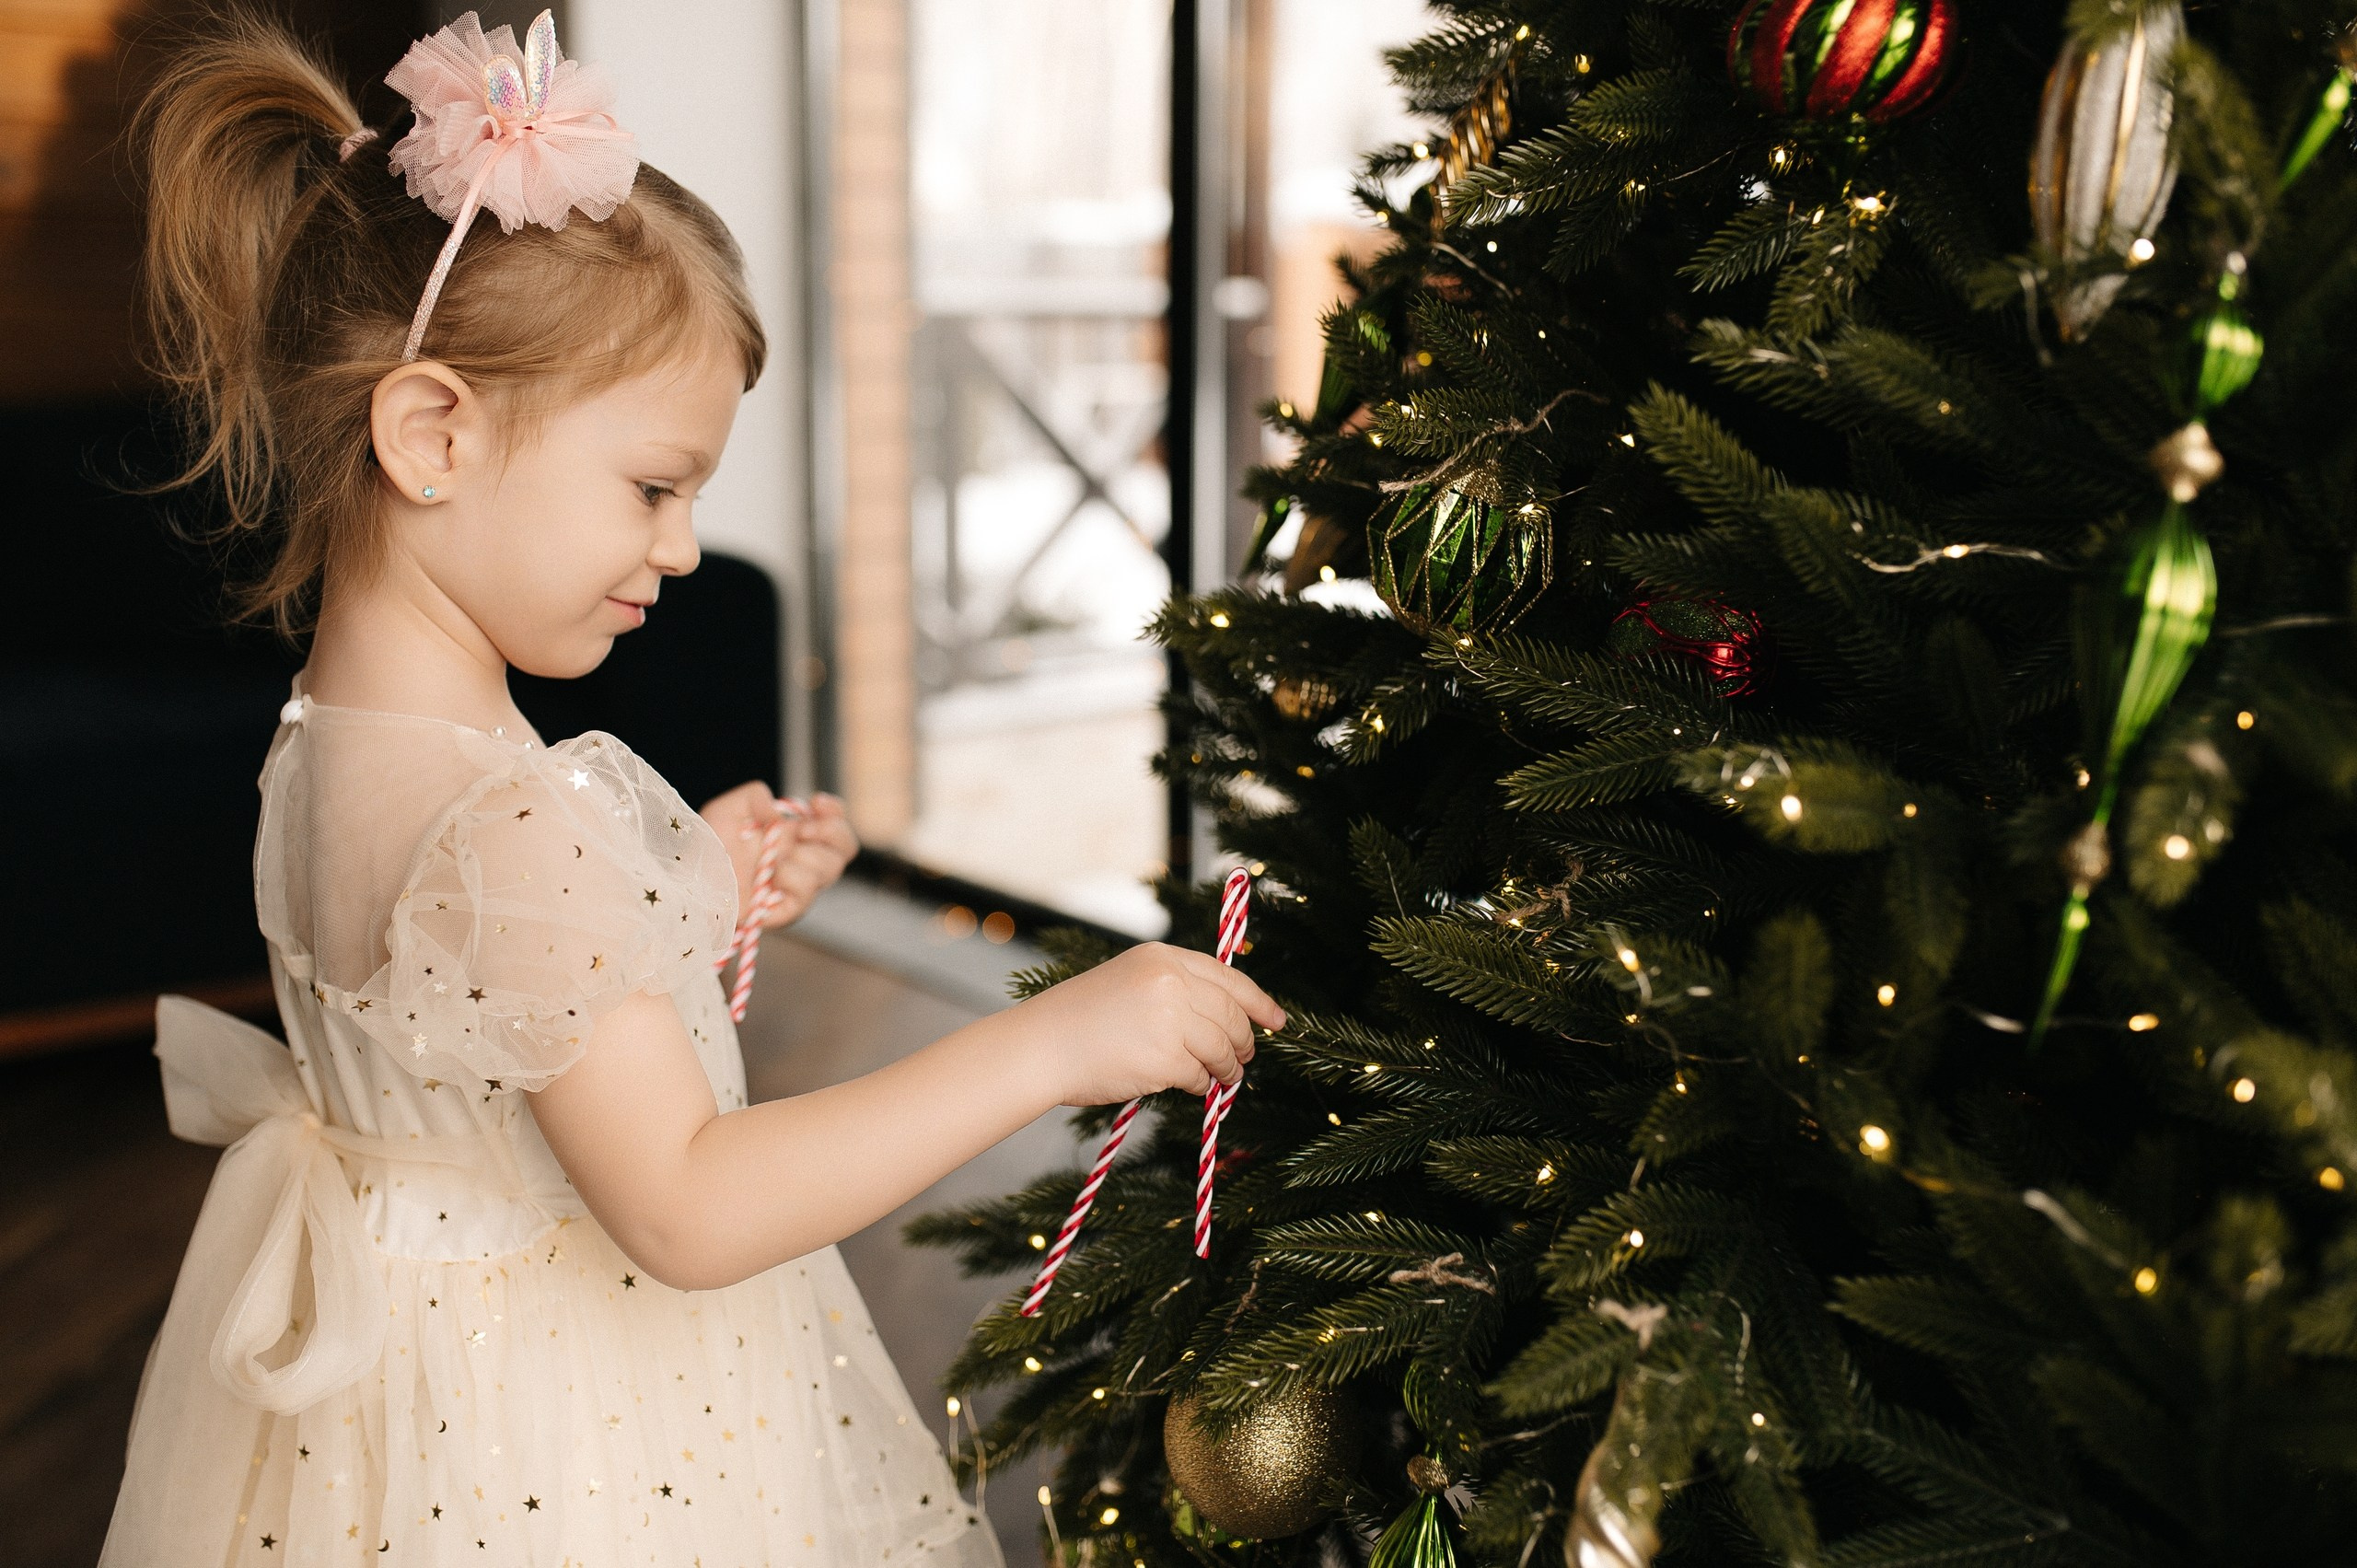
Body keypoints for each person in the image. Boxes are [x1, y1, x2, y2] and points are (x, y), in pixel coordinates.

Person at [105, 12, 1283, 1565]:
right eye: (654, 486)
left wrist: (688, 892)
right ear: (431, 433)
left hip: (402, 1420)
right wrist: (1052, 1039)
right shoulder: (511, 823)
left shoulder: (323, 739)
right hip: (570, 1444)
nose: (678, 548)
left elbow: (460, 1010)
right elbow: (688, 1206)